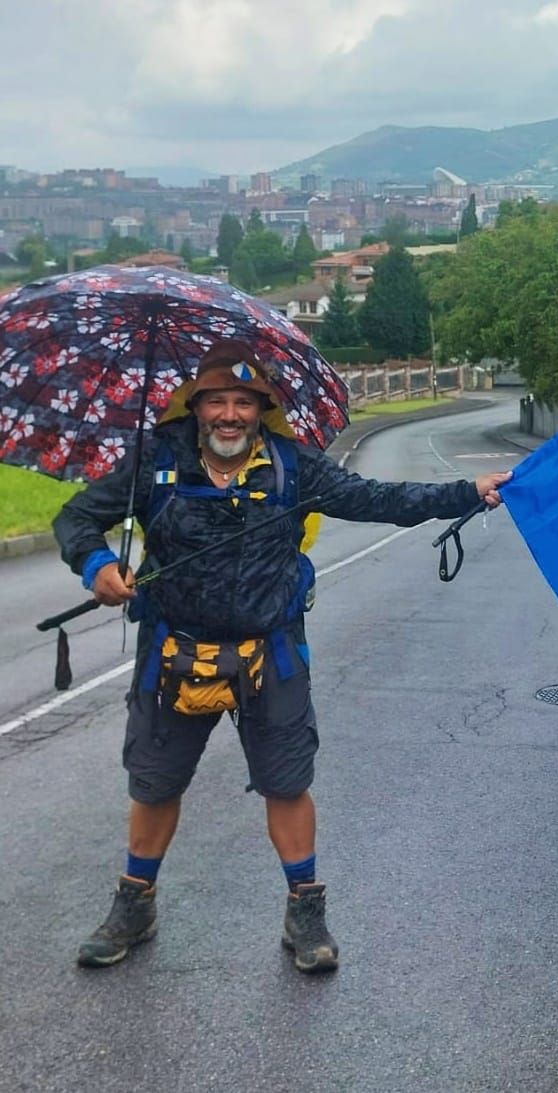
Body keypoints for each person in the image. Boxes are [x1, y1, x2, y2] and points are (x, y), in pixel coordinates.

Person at [52, 343, 510, 974]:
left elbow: (379, 499)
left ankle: (305, 910)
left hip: (271, 655)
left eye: (245, 402)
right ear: (196, 407)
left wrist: (466, 491)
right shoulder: (154, 459)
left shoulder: (295, 468)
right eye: (218, 400)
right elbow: (76, 519)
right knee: (155, 783)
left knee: (287, 782)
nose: (231, 414)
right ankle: (135, 903)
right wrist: (97, 565)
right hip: (173, 653)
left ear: (262, 411)